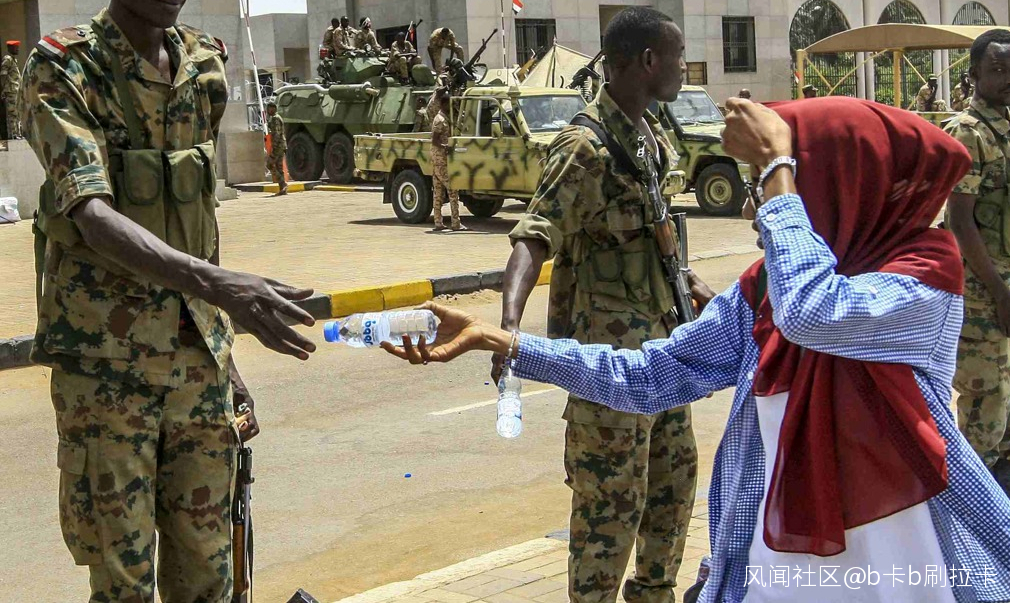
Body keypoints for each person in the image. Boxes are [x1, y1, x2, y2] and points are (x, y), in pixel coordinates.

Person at [384, 97, 1010, 603]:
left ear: (841, 187)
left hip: (908, 574)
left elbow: (813, 313)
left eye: (777, 185)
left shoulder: (925, 276)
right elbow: (651, 374)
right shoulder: (765, 290)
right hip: (777, 574)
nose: (756, 209)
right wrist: (505, 341)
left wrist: (777, 170)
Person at [20, 0, 317, 601]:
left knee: (211, 575)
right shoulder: (64, 68)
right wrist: (221, 288)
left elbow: (197, 223)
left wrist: (222, 350)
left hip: (195, 365)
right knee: (124, 584)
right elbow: (90, 213)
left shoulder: (204, 68)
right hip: (107, 372)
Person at [497, 6, 697, 603]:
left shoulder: (650, 138)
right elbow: (534, 236)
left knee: (673, 491)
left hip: (664, 356)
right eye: (679, 58)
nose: (684, 69)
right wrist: (509, 330)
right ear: (647, 61)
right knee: (609, 512)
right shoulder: (585, 147)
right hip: (608, 369)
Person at [945, 29, 1010, 493]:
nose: (1007, 78)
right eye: (998, 70)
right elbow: (960, 221)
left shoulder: (1006, 126)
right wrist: (1000, 292)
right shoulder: (968, 133)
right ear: (973, 75)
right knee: (985, 397)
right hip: (984, 292)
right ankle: (971, 501)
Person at [430, 88, 466, 232]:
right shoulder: (440, 120)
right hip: (441, 160)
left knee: (438, 192)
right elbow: (434, 140)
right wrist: (446, 147)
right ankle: (455, 223)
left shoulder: (446, 118)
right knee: (452, 189)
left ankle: (438, 222)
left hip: (442, 160)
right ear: (444, 104)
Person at [266, 100, 287, 194]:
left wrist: (274, 148)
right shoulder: (276, 118)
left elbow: (276, 134)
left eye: (269, 108)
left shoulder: (275, 119)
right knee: (279, 166)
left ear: (273, 108)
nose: (267, 111)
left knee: (270, 164)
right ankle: (282, 187)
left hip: (278, 146)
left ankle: (282, 184)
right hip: (281, 145)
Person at [1, 39, 21, 139]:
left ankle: (17, 133)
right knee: (12, 113)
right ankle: (13, 134)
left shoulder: (14, 60)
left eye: (17, 47)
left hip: (15, 90)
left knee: (16, 113)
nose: (17, 49)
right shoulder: (7, 59)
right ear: (10, 48)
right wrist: (3, 89)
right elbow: (3, 75)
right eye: (15, 47)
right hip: (10, 91)